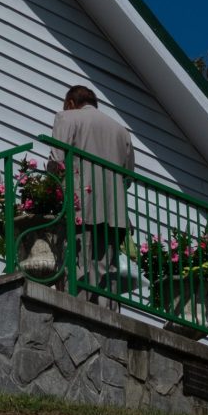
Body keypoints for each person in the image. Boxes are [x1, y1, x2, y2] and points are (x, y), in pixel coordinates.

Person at [48, 84, 135, 305]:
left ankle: (75, 310)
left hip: (81, 204)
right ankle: (107, 315)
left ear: (70, 103)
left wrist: (50, 190)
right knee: (106, 271)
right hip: (115, 211)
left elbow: (57, 162)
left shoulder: (67, 118)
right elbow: (128, 176)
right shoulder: (121, 131)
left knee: (78, 265)